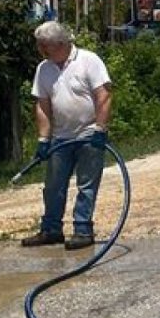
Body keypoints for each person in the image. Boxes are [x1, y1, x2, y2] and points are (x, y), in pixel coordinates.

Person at [21, 21, 113, 251]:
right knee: (53, 185)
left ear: (60, 44)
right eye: (41, 46)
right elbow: (42, 105)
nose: (42, 51)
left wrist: (100, 129)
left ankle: (83, 230)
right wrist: (43, 139)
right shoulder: (44, 68)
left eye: (45, 46)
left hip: (89, 134)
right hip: (61, 137)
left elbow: (103, 95)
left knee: (86, 185)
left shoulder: (88, 61)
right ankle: (51, 229)